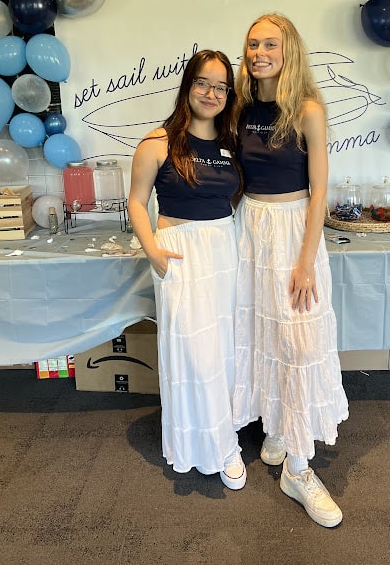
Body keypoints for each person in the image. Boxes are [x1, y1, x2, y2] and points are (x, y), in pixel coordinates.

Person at [232, 13, 349, 526]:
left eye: (270, 44)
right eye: (253, 44)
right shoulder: (237, 108)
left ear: (289, 50)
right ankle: (277, 426)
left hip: (293, 230)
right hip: (248, 229)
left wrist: (306, 260)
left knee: (300, 341)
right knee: (262, 333)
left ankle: (299, 470)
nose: (259, 52)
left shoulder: (306, 109)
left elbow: (320, 190)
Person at [128, 49, 246, 489]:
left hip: (223, 250)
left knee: (223, 351)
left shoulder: (230, 144)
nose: (211, 93)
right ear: (188, 86)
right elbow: (136, 203)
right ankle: (207, 446)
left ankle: (224, 436)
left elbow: (232, 200)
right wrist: (153, 252)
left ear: (228, 94)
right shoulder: (156, 143)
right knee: (191, 355)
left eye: (220, 86)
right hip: (178, 252)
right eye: (203, 82)